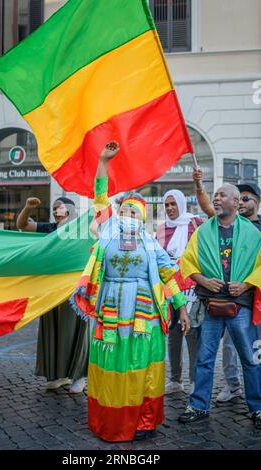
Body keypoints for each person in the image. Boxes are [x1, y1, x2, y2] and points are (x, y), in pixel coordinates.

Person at [71, 141, 190, 442]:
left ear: (142, 218)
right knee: (112, 364)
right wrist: (103, 162)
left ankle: (143, 422)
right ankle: (110, 420)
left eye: (133, 213)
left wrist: (183, 308)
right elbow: (100, 195)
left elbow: (170, 276)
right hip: (110, 314)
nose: (127, 216)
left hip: (143, 316)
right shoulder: (108, 229)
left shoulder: (151, 243)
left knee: (141, 366)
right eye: (123, 210)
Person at [179, 183, 261, 430]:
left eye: (222, 195)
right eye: (214, 195)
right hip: (212, 305)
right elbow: (187, 261)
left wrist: (246, 285)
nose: (216, 198)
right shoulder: (203, 231)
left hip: (241, 306)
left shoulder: (253, 233)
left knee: (250, 358)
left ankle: (257, 408)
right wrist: (203, 280)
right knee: (204, 358)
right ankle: (199, 406)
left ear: (236, 203)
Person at [16, 196, 89, 393]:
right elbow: (22, 225)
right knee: (53, 330)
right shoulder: (50, 228)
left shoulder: (82, 231)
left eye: (61, 208)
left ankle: (79, 376)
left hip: (74, 291)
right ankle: (59, 375)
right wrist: (27, 207)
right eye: (54, 208)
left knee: (76, 332)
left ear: (72, 211)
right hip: (51, 290)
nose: (57, 211)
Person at [156, 190, 203, 394]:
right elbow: (158, 256)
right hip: (170, 289)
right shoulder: (161, 228)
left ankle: (194, 380)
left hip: (192, 287)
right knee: (173, 332)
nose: (170, 208)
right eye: (166, 205)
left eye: (173, 204)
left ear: (182, 204)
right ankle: (175, 379)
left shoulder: (196, 223)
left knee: (192, 333)